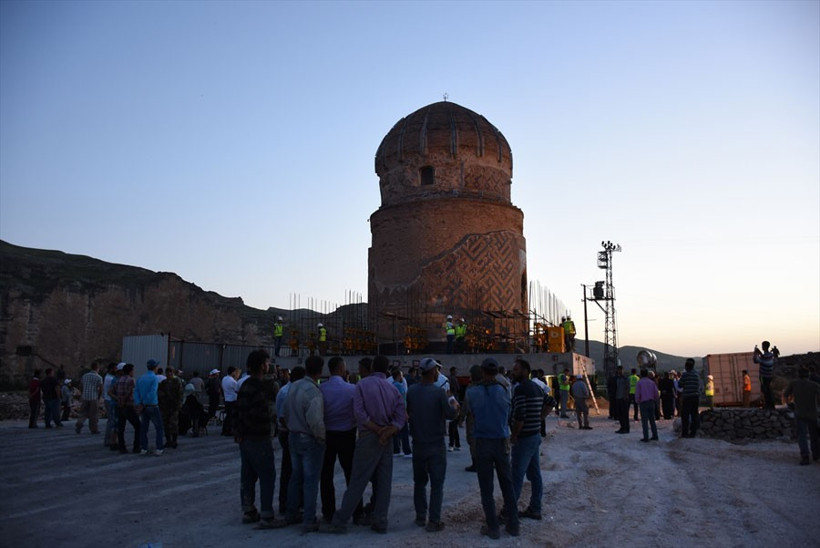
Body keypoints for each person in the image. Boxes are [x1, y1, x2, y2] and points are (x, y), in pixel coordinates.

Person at [321, 355, 406, 535]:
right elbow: (401, 418)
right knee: (384, 481)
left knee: (358, 481)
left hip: (368, 436)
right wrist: (387, 431)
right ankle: (380, 520)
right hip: (386, 439)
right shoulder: (393, 389)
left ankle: (340, 520)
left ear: (372, 366)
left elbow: (359, 413)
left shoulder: (362, 385)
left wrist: (377, 430)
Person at [467, 358, 519, 539]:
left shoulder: (472, 392)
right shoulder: (505, 391)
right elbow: (510, 413)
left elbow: (472, 414)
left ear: (482, 371)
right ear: (497, 371)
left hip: (483, 441)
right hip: (501, 440)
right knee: (507, 484)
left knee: (486, 488)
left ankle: (493, 527)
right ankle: (514, 525)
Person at [406, 357, 459, 532]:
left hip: (418, 444)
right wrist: (454, 404)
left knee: (419, 482)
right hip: (436, 444)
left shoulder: (412, 391)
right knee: (437, 485)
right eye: (437, 370)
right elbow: (450, 415)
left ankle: (421, 516)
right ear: (432, 372)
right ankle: (434, 520)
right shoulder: (438, 393)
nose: (438, 373)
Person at [235, 349, 285, 528]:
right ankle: (267, 515)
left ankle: (248, 511)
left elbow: (239, 411)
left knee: (247, 475)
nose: (268, 365)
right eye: (267, 362)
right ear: (262, 365)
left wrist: (239, 433)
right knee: (267, 475)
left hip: (245, 438)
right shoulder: (264, 386)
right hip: (260, 437)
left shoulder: (245, 385)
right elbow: (265, 411)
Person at [285, 355, 326, 533]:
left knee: (296, 477)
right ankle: (309, 519)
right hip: (308, 438)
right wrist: (321, 438)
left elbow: (285, 411)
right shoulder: (312, 391)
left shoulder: (293, 386)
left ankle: (291, 512)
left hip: (293, 435)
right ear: (320, 370)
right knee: (310, 480)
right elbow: (316, 421)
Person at [320, 356, 358, 523]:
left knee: (326, 475)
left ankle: (328, 511)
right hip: (347, 434)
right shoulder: (351, 389)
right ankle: (356, 510)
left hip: (327, 435)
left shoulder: (322, 389)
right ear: (342, 369)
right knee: (351, 474)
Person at [510, 358, 548, 522]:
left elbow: (519, 416)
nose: (513, 372)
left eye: (516, 370)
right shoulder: (537, 387)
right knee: (535, 474)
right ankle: (535, 508)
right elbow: (551, 402)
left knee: (516, 475)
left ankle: (509, 511)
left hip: (524, 438)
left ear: (525, 371)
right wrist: (539, 418)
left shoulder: (520, 390)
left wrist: (514, 435)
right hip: (535, 435)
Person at [276, 365, 304, 515]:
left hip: (288, 432)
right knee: (290, 470)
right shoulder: (289, 392)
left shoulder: (285, 390)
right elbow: (282, 418)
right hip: (289, 433)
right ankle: (287, 503)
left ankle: (291, 502)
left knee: (291, 469)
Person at [782, 367, 820, 465]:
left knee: (802, 436)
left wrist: (789, 404)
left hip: (799, 413)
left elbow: (785, 395)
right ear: (808, 375)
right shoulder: (815, 385)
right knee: (814, 435)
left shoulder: (794, 384)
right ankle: (816, 454)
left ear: (798, 375)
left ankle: (805, 456)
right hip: (813, 413)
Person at [134, 359, 165, 455]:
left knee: (144, 428)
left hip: (143, 406)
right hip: (152, 405)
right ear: (155, 367)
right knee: (159, 427)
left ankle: (144, 448)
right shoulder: (154, 378)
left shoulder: (140, 378)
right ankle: (159, 448)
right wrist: (145, 402)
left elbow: (136, 392)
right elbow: (152, 392)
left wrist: (139, 403)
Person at [112, 363, 141, 454]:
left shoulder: (119, 380)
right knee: (138, 426)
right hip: (128, 406)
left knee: (121, 427)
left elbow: (110, 391)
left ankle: (122, 447)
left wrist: (118, 399)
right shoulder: (131, 380)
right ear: (130, 371)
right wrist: (124, 399)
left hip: (120, 406)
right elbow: (130, 391)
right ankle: (136, 447)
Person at [460, 365, 483, 472]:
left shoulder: (471, 388)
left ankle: (476, 464)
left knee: (473, 441)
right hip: (484, 419)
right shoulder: (486, 387)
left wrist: (460, 419)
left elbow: (465, 406)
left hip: (473, 419)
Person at [158, 367, 184, 449]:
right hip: (165, 406)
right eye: (168, 372)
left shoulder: (177, 382)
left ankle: (174, 441)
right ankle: (168, 440)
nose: (169, 374)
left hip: (174, 406)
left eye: (171, 372)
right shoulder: (163, 382)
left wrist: (179, 404)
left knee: (174, 424)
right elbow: (159, 393)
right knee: (165, 424)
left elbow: (180, 394)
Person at [75, 361, 103, 434]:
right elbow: (101, 389)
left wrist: (82, 393)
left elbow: (80, 386)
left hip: (85, 397)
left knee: (83, 412)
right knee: (93, 414)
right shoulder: (99, 377)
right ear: (97, 368)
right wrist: (99, 397)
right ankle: (93, 429)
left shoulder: (85, 376)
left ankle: (79, 422)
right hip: (93, 397)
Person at [391, 368, 412, 457]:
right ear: (398, 376)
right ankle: (407, 450)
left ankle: (396, 450)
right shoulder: (400, 386)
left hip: (393, 410)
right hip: (401, 410)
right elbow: (403, 399)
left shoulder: (391, 385)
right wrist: (405, 411)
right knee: (404, 431)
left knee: (395, 431)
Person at [635, 369, 659, 442]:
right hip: (651, 402)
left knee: (644, 421)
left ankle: (646, 437)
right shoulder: (652, 382)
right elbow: (656, 393)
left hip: (643, 403)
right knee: (652, 420)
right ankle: (655, 435)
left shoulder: (639, 383)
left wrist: (637, 401)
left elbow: (637, 393)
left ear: (641, 374)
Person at [679, 358, 701, 438]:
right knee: (694, 415)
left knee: (685, 415)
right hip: (695, 397)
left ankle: (685, 433)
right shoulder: (696, 374)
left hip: (687, 397)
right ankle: (693, 433)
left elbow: (680, 384)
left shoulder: (685, 374)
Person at [754, 342, 776, 409]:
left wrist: (756, 353)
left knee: (765, 390)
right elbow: (764, 358)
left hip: (764, 376)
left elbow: (756, 360)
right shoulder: (771, 355)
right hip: (770, 376)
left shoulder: (765, 356)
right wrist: (760, 353)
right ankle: (771, 404)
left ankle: (768, 404)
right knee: (768, 389)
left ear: (764, 347)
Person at [103, 363, 120, 450]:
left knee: (111, 420)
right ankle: (109, 440)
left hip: (107, 399)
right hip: (110, 400)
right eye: (115, 369)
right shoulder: (111, 379)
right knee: (112, 421)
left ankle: (109, 440)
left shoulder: (107, 377)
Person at [221, 366, 240, 436]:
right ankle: (229, 430)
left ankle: (225, 430)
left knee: (228, 416)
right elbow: (237, 390)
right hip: (233, 400)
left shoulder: (224, 379)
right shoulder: (233, 381)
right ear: (232, 372)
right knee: (232, 416)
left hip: (227, 399)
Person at [446, 366, 461, 452]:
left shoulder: (451, 399)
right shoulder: (452, 397)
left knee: (452, 430)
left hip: (454, 416)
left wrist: (453, 415)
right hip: (456, 416)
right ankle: (457, 444)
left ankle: (451, 445)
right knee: (455, 430)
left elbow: (456, 406)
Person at [614, 366, 630, 434]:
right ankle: (622, 427)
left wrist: (625, 396)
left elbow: (627, 388)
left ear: (623, 370)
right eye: (618, 370)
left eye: (620, 370)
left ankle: (626, 428)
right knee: (620, 414)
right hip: (618, 398)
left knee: (625, 414)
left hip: (624, 399)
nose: (619, 371)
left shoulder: (625, 378)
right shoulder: (618, 379)